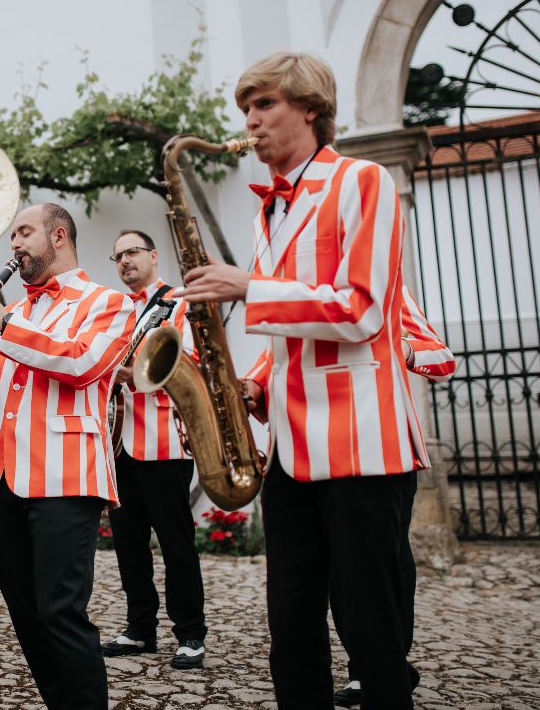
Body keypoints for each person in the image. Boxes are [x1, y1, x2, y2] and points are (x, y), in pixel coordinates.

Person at [174, 52, 427, 710]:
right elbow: (291, 333)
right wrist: (250, 382)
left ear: (310, 109)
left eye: (265, 106)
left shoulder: (362, 181)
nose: (250, 123)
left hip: (363, 446)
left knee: (372, 634)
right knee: (291, 629)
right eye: (246, 110)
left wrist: (248, 285)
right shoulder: (270, 214)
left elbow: (363, 310)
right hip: (292, 448)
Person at [0, 203, 135, 710]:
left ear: (59, 235)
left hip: (65, 478)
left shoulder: (109, 302)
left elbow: (82, 363)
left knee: (61, 611)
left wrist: (4, 326)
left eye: (24, 232)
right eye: (12, 236)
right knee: (28, 616)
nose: (14, 244)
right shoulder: (17, 313)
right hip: (2, 481)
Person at [331, 285, 457, 707]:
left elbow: (442, 359)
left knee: (385, 564)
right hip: (325, 449)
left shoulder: (389, 288)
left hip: (388, 449)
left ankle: (384, 665)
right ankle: (368, 665)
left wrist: (402, 348)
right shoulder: (299, 288)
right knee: (339, 568)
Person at [100, 229, 207, 669]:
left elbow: (191, 361)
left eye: (132, 252)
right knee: (128, 543)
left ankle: (191, 634)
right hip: (120, 444)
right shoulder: (114, 309)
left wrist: (133, 368)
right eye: (118, 255)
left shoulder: (179, 303)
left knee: (176, 543)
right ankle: (140, 628)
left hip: (164, 442)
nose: (125, 261)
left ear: (154, 255)